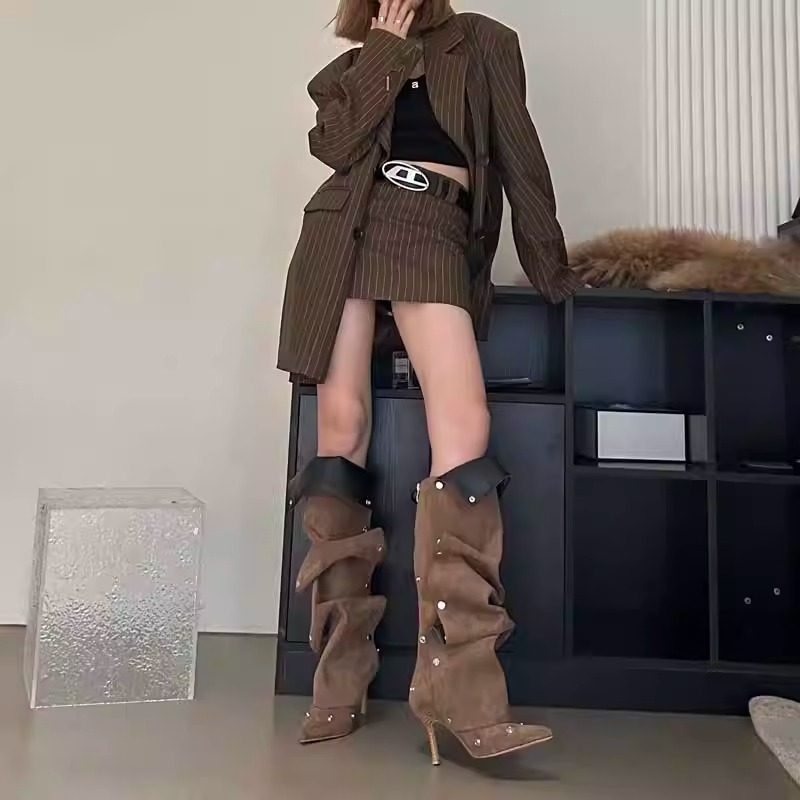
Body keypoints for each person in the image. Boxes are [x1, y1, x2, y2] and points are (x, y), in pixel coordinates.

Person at [278, 0, 579, 763]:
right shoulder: (347, 69)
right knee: (339, 428)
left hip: (430, 226)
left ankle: (459, 690)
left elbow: (520, 155)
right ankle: (338, 677)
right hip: (340, 230)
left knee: (465, 428)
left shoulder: (482, 42)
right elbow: (336, 147)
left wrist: (551, 266)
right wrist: (383, 48)